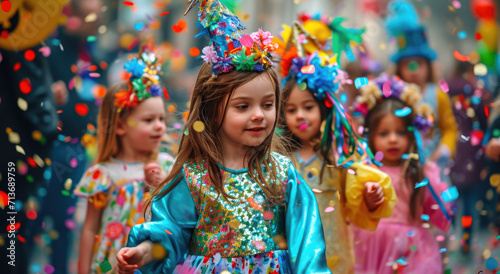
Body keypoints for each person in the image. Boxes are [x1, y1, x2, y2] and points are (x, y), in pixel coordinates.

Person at [116, 1, 330, 273]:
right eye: (243, 106)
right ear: (212, 112)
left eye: (267, 105)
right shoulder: (194, 177)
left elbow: (307, 243)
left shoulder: (282, 173)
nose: (259, 115)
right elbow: (170, 232)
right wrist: (143, 252)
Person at [279, 19, 396, 273]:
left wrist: (370, 195)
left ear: (323, 109)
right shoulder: (278, 156)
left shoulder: (339, 153)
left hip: (334, 255)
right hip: (288, 254)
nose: (300, 115)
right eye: (291, 109)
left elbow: (357, 203)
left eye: (308, 107)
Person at [73, 47, 173, 273]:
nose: (159, 126)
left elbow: (176, 213)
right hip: (108, 264)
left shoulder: (166, 165)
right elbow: (89, 228)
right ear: (119, 125)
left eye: (161, 118)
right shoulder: (103, 174)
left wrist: (161, 184)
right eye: (148, 120)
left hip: (150, 261)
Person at [353, 75, 452, 273]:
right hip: (374, 248)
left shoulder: (418, 172)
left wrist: (433, 186)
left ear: (412, 134)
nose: (392, 140)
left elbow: (438, 209)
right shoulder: (367, 172)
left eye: (400, 132)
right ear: (370, 136)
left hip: (413, 250)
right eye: (384, 133)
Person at [386, 0, 458, 180]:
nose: (414, 71)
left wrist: (444, 149)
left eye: (418, 64)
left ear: (428, 65)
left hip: (433, 167)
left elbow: (450, 128)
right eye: (407, 65)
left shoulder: (438, 95)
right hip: (401, 168)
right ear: (399, 67)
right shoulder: (393, 95)